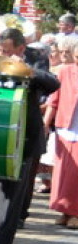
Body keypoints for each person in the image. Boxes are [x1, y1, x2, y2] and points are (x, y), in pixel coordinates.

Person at [0, 21, 58, 244]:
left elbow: (53, 83)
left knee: (9, 197)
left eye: (8, 51)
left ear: (20, 48)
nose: (3, 55)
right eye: (0, 50)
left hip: (21, 139)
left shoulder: (36, 59)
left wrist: (27, 70)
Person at [44, 35, 78, 228]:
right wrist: (45, 123)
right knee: (63, 173)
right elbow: (53, 99)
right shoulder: (64, 71)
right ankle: (64, 211)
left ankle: (75, 213)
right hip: (66, 127)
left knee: (76, 173)